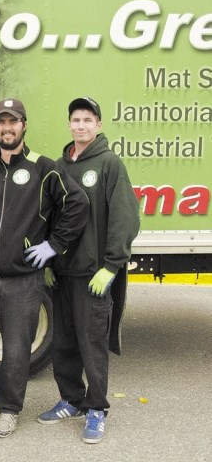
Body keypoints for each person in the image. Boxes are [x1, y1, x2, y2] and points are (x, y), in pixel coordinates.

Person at [0, 98, 89, 440]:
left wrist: (54, 245)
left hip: (23, 280)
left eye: (13, 122)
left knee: (15, 352)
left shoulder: (43, 168)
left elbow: (77, 204)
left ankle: (9, 410)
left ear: (24, 125)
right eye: (1, 122)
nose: (7, 128)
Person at [37, 96, 140, 444]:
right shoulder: (57, 166)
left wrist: (111, 266)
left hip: (93, 275)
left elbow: (125, 218)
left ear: (98, 125)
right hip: (62, 273)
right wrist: (49, 262)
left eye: (87, 120)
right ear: (69, 125)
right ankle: (71, 399)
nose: (81, 125)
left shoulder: (110, 164)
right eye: (75, 120)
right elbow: (48, 218)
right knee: (64, 342)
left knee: (92, 343)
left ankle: (96, 408)